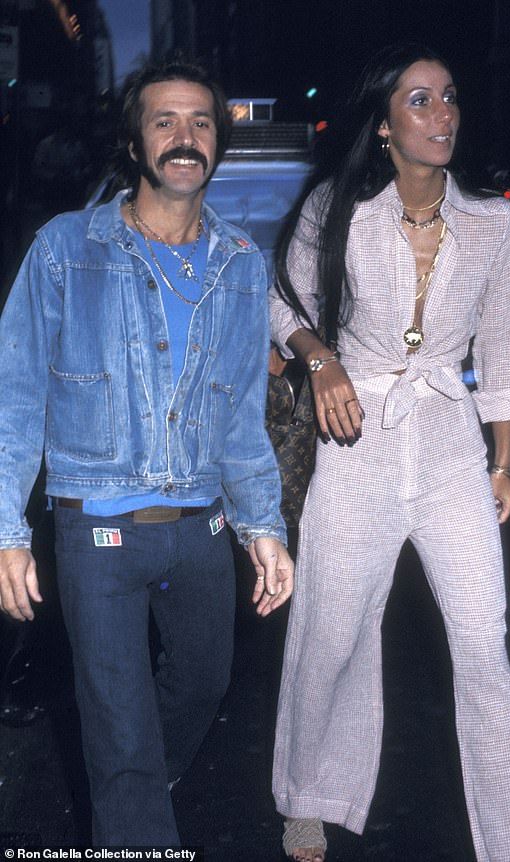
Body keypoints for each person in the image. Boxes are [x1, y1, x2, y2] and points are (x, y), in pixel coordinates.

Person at [269, 44, 510, 862]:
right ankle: (307, 795)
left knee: (481, 639)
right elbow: (282, 301)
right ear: (386, 125)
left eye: (449, 99)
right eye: (421, 102)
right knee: (332, 628)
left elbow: (505, 342)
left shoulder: (492, 220)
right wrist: (322, 360)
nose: (443, 116)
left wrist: (502, 461)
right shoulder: (339, 209)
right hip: (356, 439)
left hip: (446, 447)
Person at [0, 57, 293, 846]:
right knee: (125, 753)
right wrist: (6, 532)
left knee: (202, 688)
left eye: (200, 121)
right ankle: (131, 808)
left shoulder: (239, 262)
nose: (184, 136)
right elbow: (16, 395)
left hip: (200, 528)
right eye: (164, 120)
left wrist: (264, 526)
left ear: (218, 144)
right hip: (96, 530)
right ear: (135, 142)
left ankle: (126, 788)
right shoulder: (66, 248)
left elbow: (240, 417)